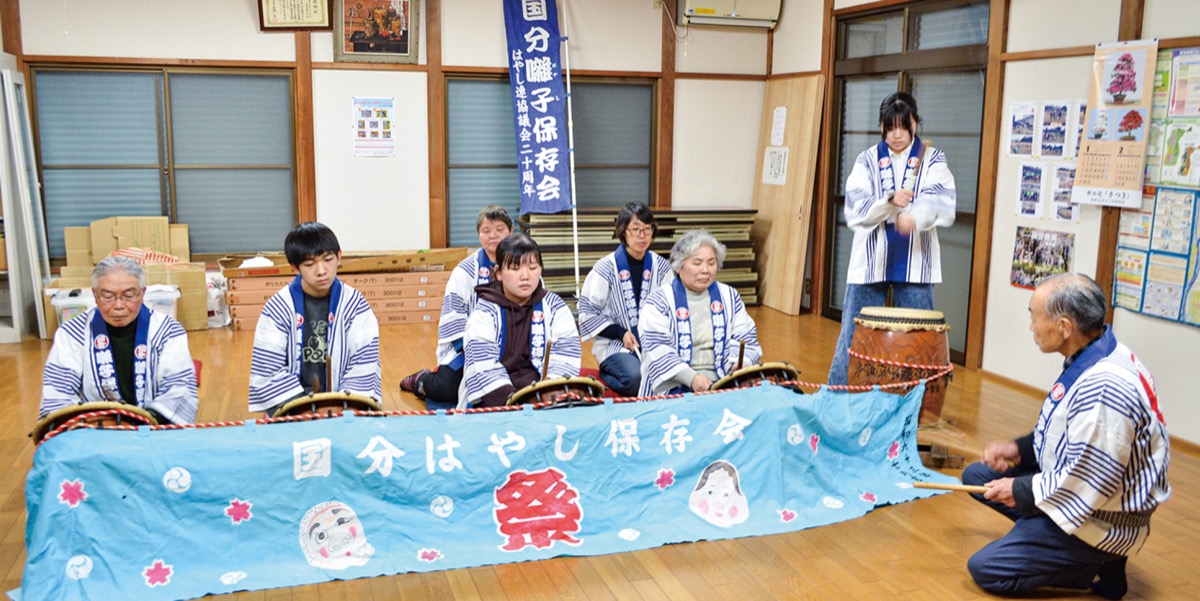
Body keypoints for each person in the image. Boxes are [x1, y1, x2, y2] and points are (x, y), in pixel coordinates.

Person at [962, 273, 1170, 599]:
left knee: (986, 568)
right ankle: (1059, 544)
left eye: (1035, 317)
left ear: (1064, 327)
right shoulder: (1099, 352)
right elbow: (1066, 432)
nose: (1031, 327)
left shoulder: (1105, 388)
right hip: (1087, 489)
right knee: (978, 476)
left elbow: (1089, 481)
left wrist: (1020, 489)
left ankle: (1093, 565)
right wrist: (1017, 449)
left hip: (1103, 519)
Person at [828, 92, 956, 385]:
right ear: (881, 127)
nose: (897, 135)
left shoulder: (933, 159)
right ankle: (838, 394)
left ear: (915, 123)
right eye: (890, 127)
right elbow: (855, 209)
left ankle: (918, 400)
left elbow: (942, 201)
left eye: (903, 126)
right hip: (870, 261)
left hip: (916, 262)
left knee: (919, 337)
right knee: (853, 334)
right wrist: (888, 202)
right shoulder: (866, 160)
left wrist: (916, 216)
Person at [40, 256, 197, 425]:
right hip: (94, 427)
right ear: (95, 295)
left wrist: (142, 421)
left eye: (128, 296)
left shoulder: (168, 331)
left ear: (142, 293)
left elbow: (179, 388)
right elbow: (58, 393)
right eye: (108, 296)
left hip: (152, 426)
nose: (119, 305)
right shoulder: (72, 334)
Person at [248, 222, 381, 415]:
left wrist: (339, 407)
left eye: (328, 259)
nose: (321, 271)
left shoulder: (355, 305)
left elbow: (363, 363)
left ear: (339, 257)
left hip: (343, 406)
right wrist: (305, 409)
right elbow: (268, 369)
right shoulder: (278, 307)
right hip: (294, 407)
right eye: (309, 264)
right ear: (295, 267)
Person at [401, 205, 514, 409]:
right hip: (469, 348)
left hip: (514, 346)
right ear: (478, 234)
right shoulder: (464, 271)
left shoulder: (522, 267)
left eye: (499, 229)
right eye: (486, 231)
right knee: (447, 387)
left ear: (511, 231)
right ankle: (422, 380)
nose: (493, 236)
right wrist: (480, 351)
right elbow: (453, 320)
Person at [459, 233, 581, 408]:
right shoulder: (484, 312)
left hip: (543, 397)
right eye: (515, 269)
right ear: (498, 273)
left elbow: (567, 351)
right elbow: (482, 363)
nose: (525, 276)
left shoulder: (554, 306)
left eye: (532, 267)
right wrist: (514, 401)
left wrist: (548, 393)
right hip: (498, 401)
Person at [638, 230, 761, 396]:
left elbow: (746, 337)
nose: (705, 270)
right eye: (697, 263)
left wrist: (740, 364)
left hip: (723, 380)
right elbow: (657, 348)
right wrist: (692, 378)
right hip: (675, 386)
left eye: (711, 263)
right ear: (679, 266)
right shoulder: (659, 301)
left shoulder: (729, 296)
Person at [577, 202, 673, 396]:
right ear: (623, 232)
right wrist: (621, 333)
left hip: (653, 342)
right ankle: (607, 371)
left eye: (647, 229)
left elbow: (671, 307)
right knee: (635, 378)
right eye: (635, 229)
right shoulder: (605, 268)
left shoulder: (662, 267)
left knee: (672, 375)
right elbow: (587, 313)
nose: (642, 235)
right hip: (616, 344)